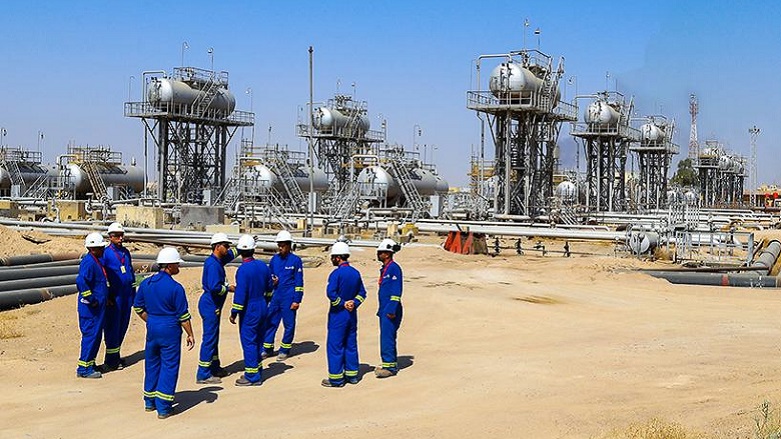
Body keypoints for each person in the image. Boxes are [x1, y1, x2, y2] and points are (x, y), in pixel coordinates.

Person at [133, 247, 194, 419]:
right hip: (170, 329)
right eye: (176, 264)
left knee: (152, 364)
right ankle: (164, 407)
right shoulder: (176, 288)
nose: (178, 267)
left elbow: (138, 307)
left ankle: (149, 401)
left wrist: (151, 321)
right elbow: (183, 316)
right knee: (169, 366)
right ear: (169, 266)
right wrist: (190, 334)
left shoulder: (146, 284)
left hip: (153, 327)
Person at [229, 235, 274, 386]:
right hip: (262, 305)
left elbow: (241, 294)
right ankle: (257, 370)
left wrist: (234, 312)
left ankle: (252, 376)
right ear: (254, 249)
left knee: (249, 341)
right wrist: (266, 301)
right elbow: (270, 287)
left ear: (240, 251)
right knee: (259, 339)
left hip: (250, 308)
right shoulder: (263, 266)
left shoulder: (242, 270)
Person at [322, 241, 366, 388]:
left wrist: (342, 303)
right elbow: (362, 293)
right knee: (350, 344)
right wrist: (354, 303)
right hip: (352, 315)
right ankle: (352, 375)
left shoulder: (336, 274)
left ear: (338, 257)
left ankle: (336, 379)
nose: (331, 260)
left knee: (335, 346)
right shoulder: (355, 273)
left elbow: (331, 293)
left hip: (338, 315)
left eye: (332, 257)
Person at [196, 232, 236, 384]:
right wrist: (229, 289)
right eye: (226, 246)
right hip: (210, 305)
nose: (228, 248)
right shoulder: (213, 265)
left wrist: (242, 247)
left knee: (214, 337)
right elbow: (214, 287)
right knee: (209, 338)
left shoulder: (217, 260)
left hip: (213, 305)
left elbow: (230, 255)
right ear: (218, 247)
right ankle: (203, 373)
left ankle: (214, 366)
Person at [263, 230, 304, 362]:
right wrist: (272, 281)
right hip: (276, 296)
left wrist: (297, 300)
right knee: (270, 321)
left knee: (289, 324)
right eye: (279, 245)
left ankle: (284, 350)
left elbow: (299, 282)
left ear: (289, 245)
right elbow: (269, 276)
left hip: (289, 297)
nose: (280, 248)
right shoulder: (274, 260)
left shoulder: (296, 261)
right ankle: (267, 348)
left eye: (283, 245)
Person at [76, 232, 110, 379]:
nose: (103, 250)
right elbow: (81, 282)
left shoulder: (96, 261)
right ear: (93, 248)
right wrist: (91, 298)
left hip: (97, 308)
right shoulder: (89, 262)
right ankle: (84, 368)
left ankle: (90, 363)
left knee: (96, 336)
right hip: (90, 309)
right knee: (90, 336)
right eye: (101, 248)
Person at [102, 222, 135, 371]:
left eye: (122, 235)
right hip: (115, 297)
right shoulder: (106, 254)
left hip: (126, 295)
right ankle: (110, 360)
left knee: (122, 326)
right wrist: (107, 295)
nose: (120, 238)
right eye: (117, 236)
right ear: (110, 237)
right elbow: (103, 276)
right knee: (112, 328)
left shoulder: (125, 253)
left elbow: (130, 272)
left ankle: (116, 355)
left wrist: (133, 292)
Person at [374, 238, 403, 378]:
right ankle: (388, 363)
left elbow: (396, 291)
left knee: (387, 337)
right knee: (385, 336)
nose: (378, 255)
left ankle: (390, 367)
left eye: (381, 252)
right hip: (385, 308)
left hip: (391, 309)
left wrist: (391, 309)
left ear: (387, 254)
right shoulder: (385, 269)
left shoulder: (394, 268)